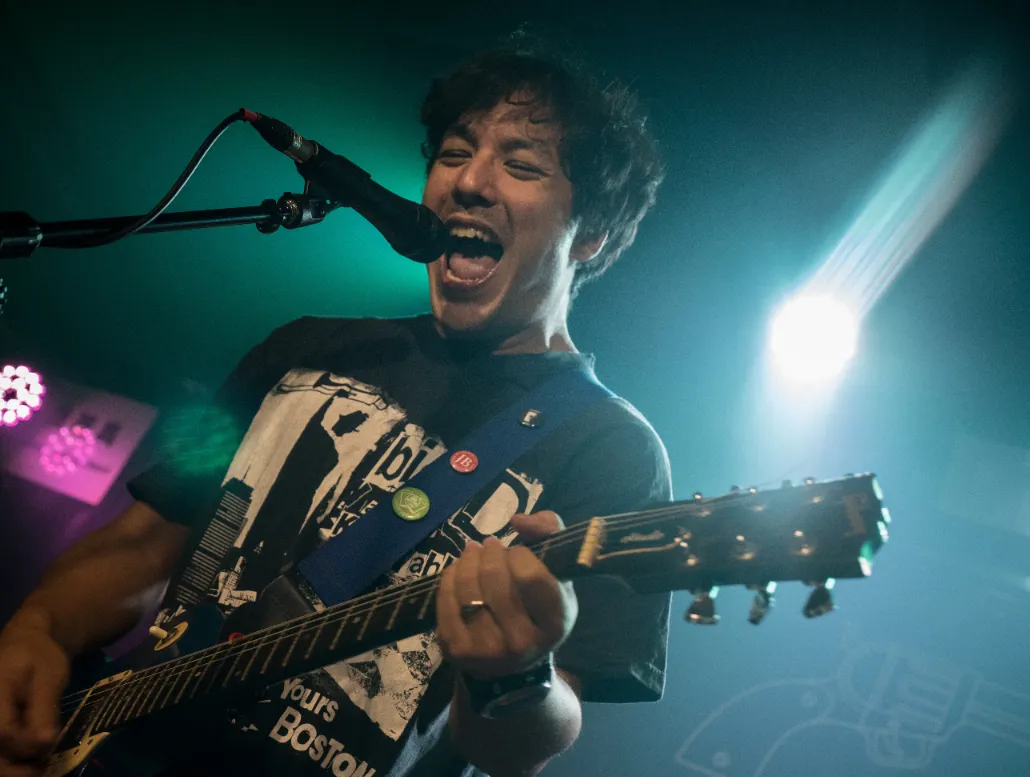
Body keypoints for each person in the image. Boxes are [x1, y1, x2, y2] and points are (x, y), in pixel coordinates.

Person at [0, 43, 670, 777]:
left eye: (521, 164)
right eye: (453, 153)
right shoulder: (305, 346)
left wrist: (516, 672)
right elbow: (146, 543)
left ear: (593, 232)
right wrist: (39, 626)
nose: (469, 181)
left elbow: (525, 742)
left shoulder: (613, 449)